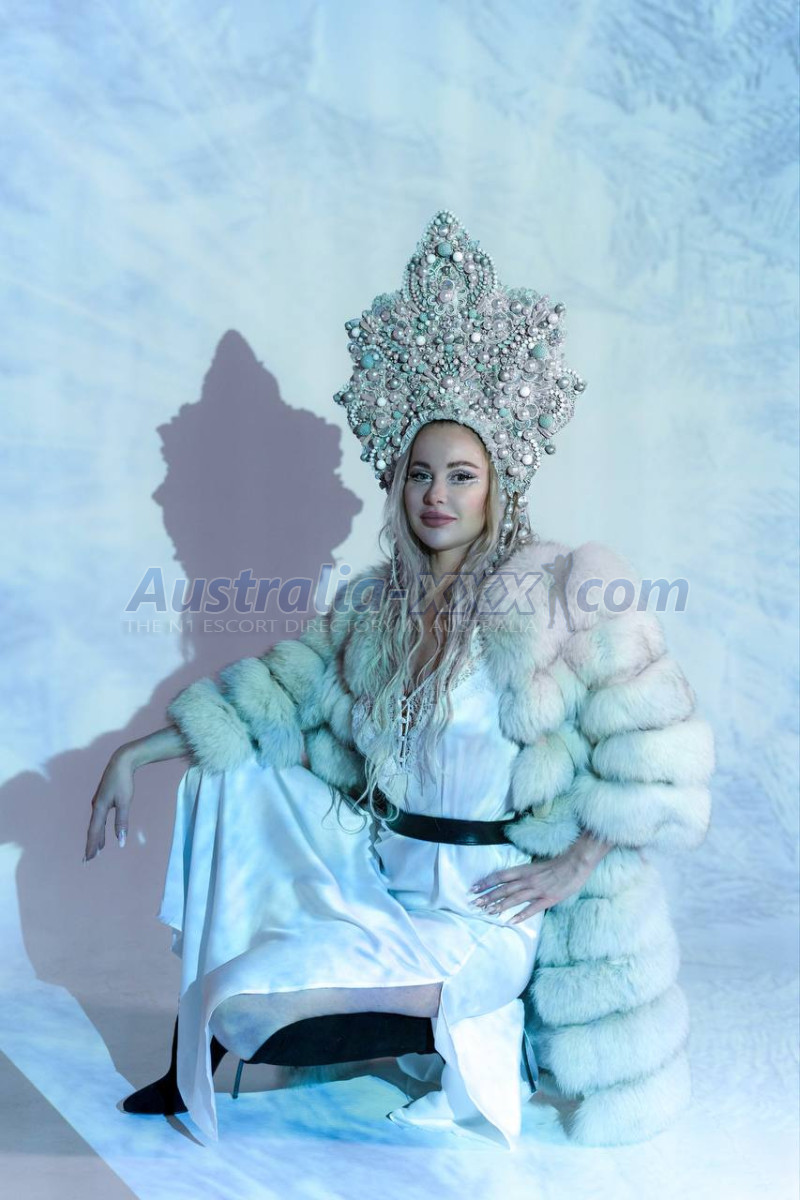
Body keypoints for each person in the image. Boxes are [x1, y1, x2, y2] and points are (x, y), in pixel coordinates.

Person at [84, 211, 715, 1149]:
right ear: (398, 484)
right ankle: (209, 1047)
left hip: (487, 912)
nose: (437, 496)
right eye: (421, 474)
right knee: (234, 781)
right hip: (383, 886)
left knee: (265, 998)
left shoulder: (562, 589)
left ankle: (425, 1027)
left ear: (497, 485)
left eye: (462, 476)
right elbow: (274, 700)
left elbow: (658, 764)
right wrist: (139, 753)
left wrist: (574, 864)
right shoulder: (374, 607)